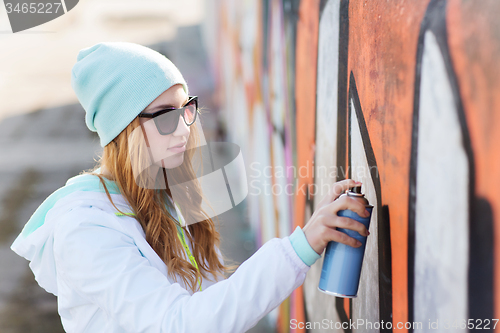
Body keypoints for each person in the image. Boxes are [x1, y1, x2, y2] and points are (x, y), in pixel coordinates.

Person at [10, 42, 370, 333]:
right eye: (165, 115)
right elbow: (177, 324)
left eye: (186, 109)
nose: (184, 129)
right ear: (125, 129)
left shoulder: (162, 197)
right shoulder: (85, 230)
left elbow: (212, 304)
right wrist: (300, 247)